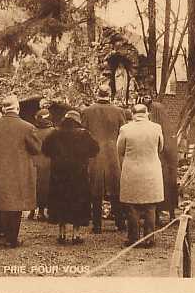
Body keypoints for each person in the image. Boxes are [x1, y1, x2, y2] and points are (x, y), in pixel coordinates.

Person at [0, 95, 41, 248]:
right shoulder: (27, 127)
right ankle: (11, 240)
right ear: (17, 108)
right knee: (15, 206)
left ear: (3, 108)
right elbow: (36, 149)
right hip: (17, 172)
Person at [43, 110, 99, 244]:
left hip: (59, 175)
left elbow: (45, 149)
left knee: (60, 202)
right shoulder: (84, 134)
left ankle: (61, 234)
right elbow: (95, 150)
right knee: (77, 203)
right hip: (78, 175)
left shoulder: (55, 133)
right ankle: (75, 235)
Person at [117, 104, 164, 248]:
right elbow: (160, 147)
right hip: (151, 170)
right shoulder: (156, 128)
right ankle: (149, 238)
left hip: (132, 170)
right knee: (150, 206)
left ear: (132, 113)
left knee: (132, 206)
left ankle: (133, 238)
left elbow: (120, 149)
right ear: (147, 113)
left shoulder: (125, 129)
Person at [81, 84, 126, 233]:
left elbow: (84, 135)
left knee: (95, 190)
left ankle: (97, 225)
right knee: (116, 189)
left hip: (94, 154)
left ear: (97, 94)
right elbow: (123, 133)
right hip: (113, 153)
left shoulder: (87, 112)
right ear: (109, 95)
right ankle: (120, 223)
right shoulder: (119, 112)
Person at [141, 94, 178, 225]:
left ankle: (155, 216)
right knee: (170, 188)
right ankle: (172, 215)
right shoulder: (169, 131)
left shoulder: (152, 128)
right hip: (169, 168)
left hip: (156, 166)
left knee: (155, 189)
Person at [28, 109, 55, 221]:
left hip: (33, 161)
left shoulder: (32, 130)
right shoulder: (53, 131)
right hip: (48, 162)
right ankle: (41, 212)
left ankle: (32, 211)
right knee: (45, 187)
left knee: (34, 186)